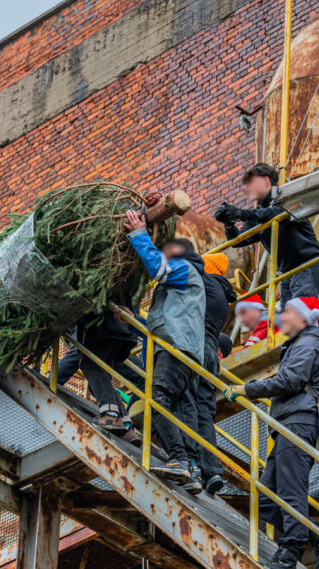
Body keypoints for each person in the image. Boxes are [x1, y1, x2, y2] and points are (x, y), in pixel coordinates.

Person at [223, 296, 319, 569]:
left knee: (290, 492)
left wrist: (248, 389)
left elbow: (291, 380)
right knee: (267, 499)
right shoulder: (300, 344)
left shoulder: (309, 342)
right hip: (287, 425)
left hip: (299, 423)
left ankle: (290, 554)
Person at [123, 210, 206, 491]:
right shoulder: (186, 286)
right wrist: (135, 322)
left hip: (176, 350)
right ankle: (191, 470)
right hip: (183, 351)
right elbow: (165, 322)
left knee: (156, 401)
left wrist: (138, 234)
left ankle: (180, 461)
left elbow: (156, 267)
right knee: (165, 410)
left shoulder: (184, 270)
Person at [172, 238, 236, 495]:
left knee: (186, 402)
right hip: (212, 353)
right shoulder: (222, 293)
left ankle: (193, 464)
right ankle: (213, 471)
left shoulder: (200, 282)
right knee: (205, 411)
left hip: (194, 346)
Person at [214, 163, 319, 301]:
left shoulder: (287, 198)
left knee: (300, 311)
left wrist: (238, 213)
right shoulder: (256, 217)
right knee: (286, 319)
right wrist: (229, 223)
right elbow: (238, 240)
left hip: (309, 266)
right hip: (287, 275)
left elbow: (270, 214)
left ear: (266, 181)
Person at [73, 309, 143, 446]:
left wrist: (55, 382)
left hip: (105, 325)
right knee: (101, 379)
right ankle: (127, 427)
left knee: (90, 365)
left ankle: (110, 415)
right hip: (123, 330)